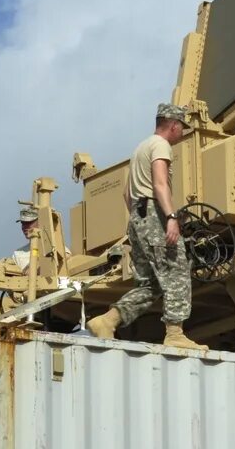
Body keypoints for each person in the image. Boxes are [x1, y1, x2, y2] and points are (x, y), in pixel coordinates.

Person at [87, 103, 206, 350]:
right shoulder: (161, 146)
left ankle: (107, 321)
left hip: (137, 219)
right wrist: (170, 217)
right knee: (177, 271)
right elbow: (160, 183)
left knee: (150, 284)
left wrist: (140, 218)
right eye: (181, 127)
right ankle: (175, 334)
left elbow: (125, 193)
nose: (182, 133)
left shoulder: (141, 147)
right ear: (173, 125)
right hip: (154, 215)